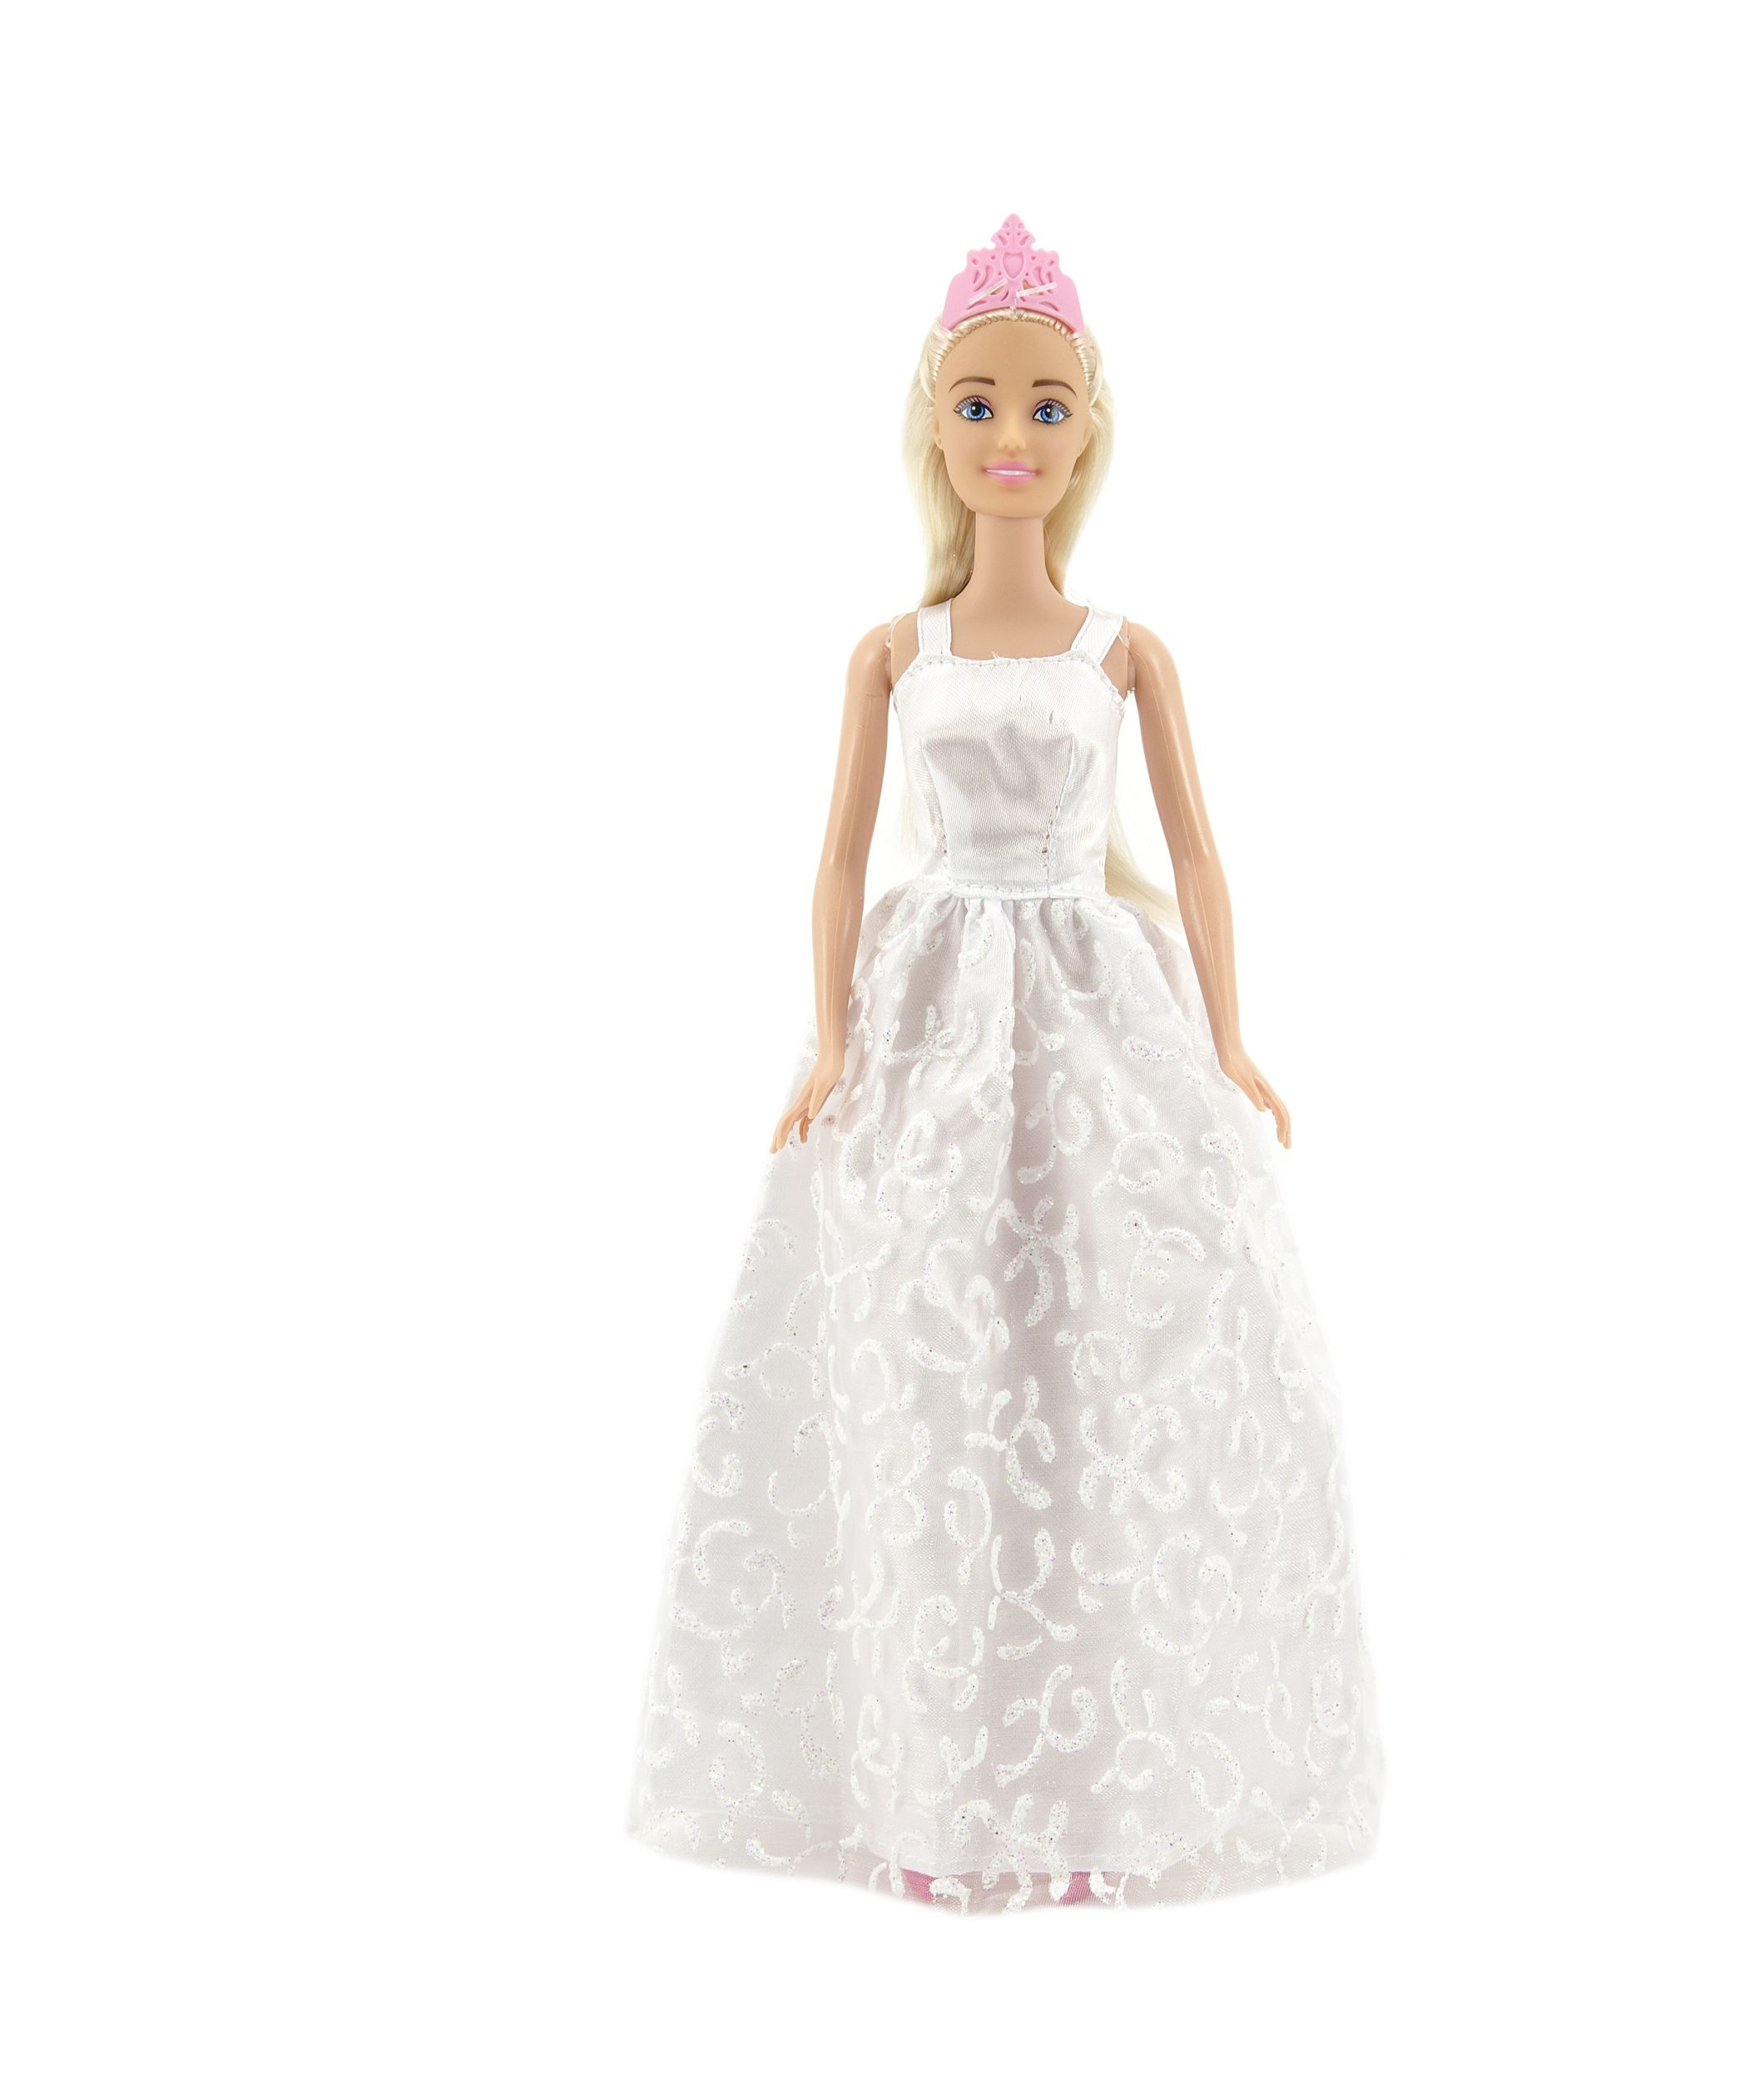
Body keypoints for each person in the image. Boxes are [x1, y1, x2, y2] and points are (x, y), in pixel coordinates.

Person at [625, 217, 1383, 1911]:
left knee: (1105, 1376)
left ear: (1088, 428)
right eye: (979, 406)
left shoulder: (1127, 650)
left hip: (1099, 1005)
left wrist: (1227, 1038)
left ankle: (1103, 1782)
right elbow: (837, 859)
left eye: (1045, 407)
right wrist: (834, 1039)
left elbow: (1200, 857)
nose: (1013, 438)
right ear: (935, 426)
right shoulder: (895, 653)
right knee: (927, 1382)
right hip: (932, 1013)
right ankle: (924, 1783)